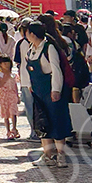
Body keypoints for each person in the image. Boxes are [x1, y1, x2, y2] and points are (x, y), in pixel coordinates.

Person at [25, 21, 73, 168]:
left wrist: (56, 90)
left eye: (27, 32)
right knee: (42, 122)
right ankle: (48, 155)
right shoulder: (30, 50)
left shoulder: (49, 48)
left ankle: (61, 155)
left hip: (51, 90)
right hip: (38, 92)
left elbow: (56, 70)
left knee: (57, 122)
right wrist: (29, 86)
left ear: (32, 34)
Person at [14, 20, 37, 141]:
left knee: (30, 107)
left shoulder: (20, 43)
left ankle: (34, 131)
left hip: (26, 80)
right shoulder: (42, 42)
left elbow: (17, 61)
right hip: (35, 80)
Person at [0, 56, 20, 139]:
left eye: (8, 63)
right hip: (4, 97)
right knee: (6, 114)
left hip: (12, 95)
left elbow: (15, 86)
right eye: (4, 63)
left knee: (13, 112)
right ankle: (8, 130)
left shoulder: (13, 75)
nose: (6, 65)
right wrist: (4, 78)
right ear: (0, 65)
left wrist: (17, 95)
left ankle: (14, 128)